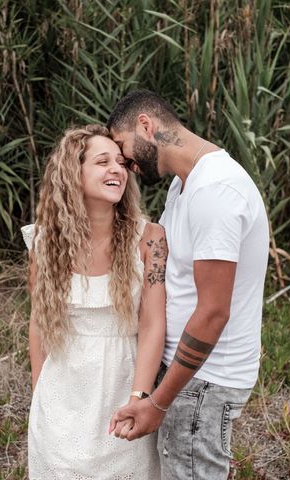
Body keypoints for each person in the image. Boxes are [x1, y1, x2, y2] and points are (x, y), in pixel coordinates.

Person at [107, 90, 269, 479]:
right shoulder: (184, 186)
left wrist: (159, 403)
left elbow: (213, 311)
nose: (125, 163)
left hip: (205, 381)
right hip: (193, 378)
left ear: (146, 125)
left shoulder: (215, 191)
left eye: (122, 146)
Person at [22, 124, 167, 478]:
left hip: (123, 381)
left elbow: (152, 324)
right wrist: (40, 392)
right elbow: (39, 322)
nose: (116, 169)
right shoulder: (45, 243)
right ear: (74, 173)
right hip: (63, 389)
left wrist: (139, 397)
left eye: (120, 162)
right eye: (102, 162)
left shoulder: (150, 239)